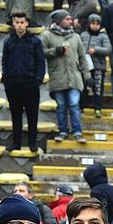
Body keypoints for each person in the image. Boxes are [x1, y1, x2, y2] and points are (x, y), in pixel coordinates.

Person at [0, 13, 46, 153]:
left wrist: (37, 80)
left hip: (30, 84)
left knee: (32, 116)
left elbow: (40, 62)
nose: (19, 25)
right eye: (17, 22)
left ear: (26, 23)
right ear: (13, 24)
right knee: (16, 115)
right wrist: (6, 79)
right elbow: (5, 61)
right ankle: (16, 143)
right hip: (13, 84)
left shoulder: (35, 41)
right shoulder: (8, 41)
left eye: (22, 22)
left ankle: (32, 142)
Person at [41, 10, 89, 143]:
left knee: (74, 104)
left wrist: (87, 75)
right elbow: (41, 53)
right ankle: (63, 131)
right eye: (67, 19)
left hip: (75, 77)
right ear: (59, 21)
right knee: (61, 106)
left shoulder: (76, 37)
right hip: (57, 77)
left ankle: (78, 131)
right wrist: (56, 51)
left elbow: (82, 58)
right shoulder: (47, 36)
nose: (70, 21)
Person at [80, 14, 110, 116]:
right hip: (85, 66)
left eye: (97, 24)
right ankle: (81, 106)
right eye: (93, 24)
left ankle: (98, 108)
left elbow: (108, 49)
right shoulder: (83, 35)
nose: (95, 26)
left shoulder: (103, 36)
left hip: (98, 66)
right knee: (84, 87)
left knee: (97, 88)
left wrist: (96, 49)